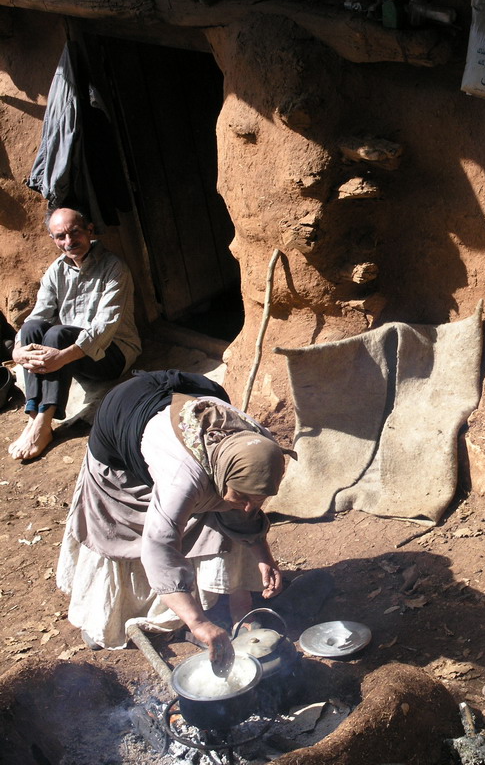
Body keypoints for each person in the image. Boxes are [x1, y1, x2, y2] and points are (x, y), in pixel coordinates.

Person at [56, 370, 286, 668]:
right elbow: (158, 547)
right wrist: (199, 623)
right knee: (129, 532)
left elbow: (245, 509)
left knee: (223, 511)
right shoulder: (183, 477)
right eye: (241, 496)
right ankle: (113, 619)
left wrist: (262, 554)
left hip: (183, 402)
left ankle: (235, 609)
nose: (248, 508)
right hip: (120, 426)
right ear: (221, 475)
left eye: (257, 500)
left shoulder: (258, 449)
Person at [8, 207, 141, 461]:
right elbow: (38, 315)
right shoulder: (56, 270)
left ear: (89, 230)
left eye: (75, 233)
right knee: (32, 328)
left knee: (58, 335)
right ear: (53, 239)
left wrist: (62, 357)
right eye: (60, 236)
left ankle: (44, 422)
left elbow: (104, 329)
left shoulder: (114, 268)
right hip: (72, 352)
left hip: (112, 354)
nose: (69, 242)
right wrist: (17, 350)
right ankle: (34, 416)